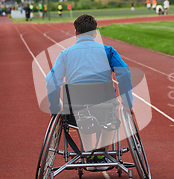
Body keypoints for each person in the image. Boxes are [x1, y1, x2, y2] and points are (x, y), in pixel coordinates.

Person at [45, 14, 133, 168]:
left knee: (82, 113)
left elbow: (51, 81)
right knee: (111, 115)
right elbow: (124, 73)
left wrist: (54, 109)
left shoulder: (65, 54)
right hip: (105, 105)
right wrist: (127, 103)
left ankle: (88, 155)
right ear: (95, 33)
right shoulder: (108, 51)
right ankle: (99, 156)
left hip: (75, 108)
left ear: (76, 33)